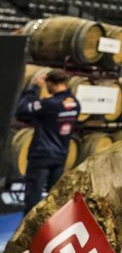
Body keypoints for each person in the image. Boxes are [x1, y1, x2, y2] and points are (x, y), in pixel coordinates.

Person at [15, 69, 80, 213]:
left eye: (48, 84)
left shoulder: (49, 104)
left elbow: (21, 109)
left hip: (41, 155)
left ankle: (29, 225)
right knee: (54, 196)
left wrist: (34, 87)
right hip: (61, 155)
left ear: (53, 84)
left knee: (33, 195)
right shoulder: (75, 104)